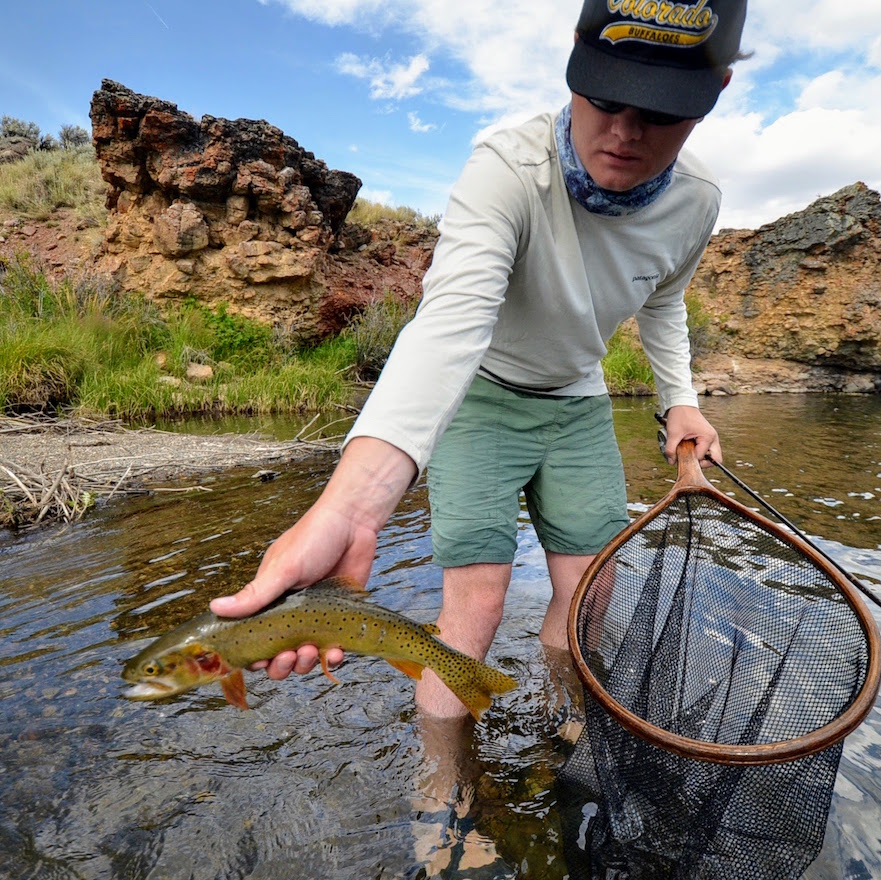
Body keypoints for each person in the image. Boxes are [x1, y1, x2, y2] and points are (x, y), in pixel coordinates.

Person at [211, 0, 747, 718]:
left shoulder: (698, 201)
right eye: (606, 96)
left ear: (712, 95)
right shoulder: (507, 165)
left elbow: (664, 299)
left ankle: (567, 722)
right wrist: (352, 506)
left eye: (660, 111)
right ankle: (443, 798)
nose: (624, 130)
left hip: (579, 401)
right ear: (575, 67)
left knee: (594, 589)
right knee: (478, 603)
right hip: (480, 394)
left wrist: (679, 397)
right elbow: (450, 324)